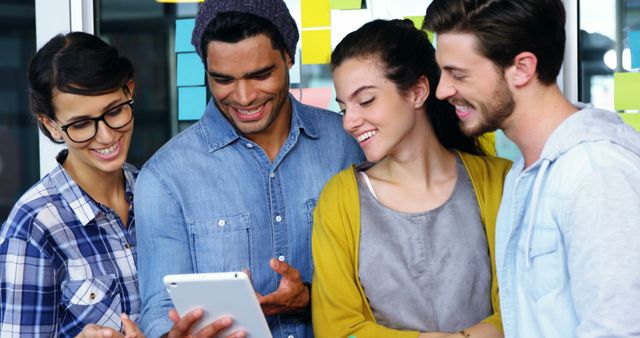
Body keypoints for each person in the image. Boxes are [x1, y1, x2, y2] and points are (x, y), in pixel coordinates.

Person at [133, 0, 363, 337]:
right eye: (223, 79)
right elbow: (158, 313)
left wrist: (312, 297)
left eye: (260, 75)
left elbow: (383, 281)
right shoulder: (165, 178)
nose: (243, 97)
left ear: (289, 56)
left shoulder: (347, 143)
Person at [423, 1, 640, 337]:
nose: (443, 90)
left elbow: (621, 329)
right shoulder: (524, 174)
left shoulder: (597, 174)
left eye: (458, 74)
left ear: (522, 68)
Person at [311, 19, 511, 338]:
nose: (349, 122)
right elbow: (337, 329)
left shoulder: (499, 183)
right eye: (343, 107)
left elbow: (526, 306)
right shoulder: (339, 199)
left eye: (365, 101)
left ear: (417, 92)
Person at [0, 32, 143, 338]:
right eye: (80, 124)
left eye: (115, 110)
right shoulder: (34, 228)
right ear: (50, 125)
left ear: (130, 90)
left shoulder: (155, 192)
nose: (106, 136)